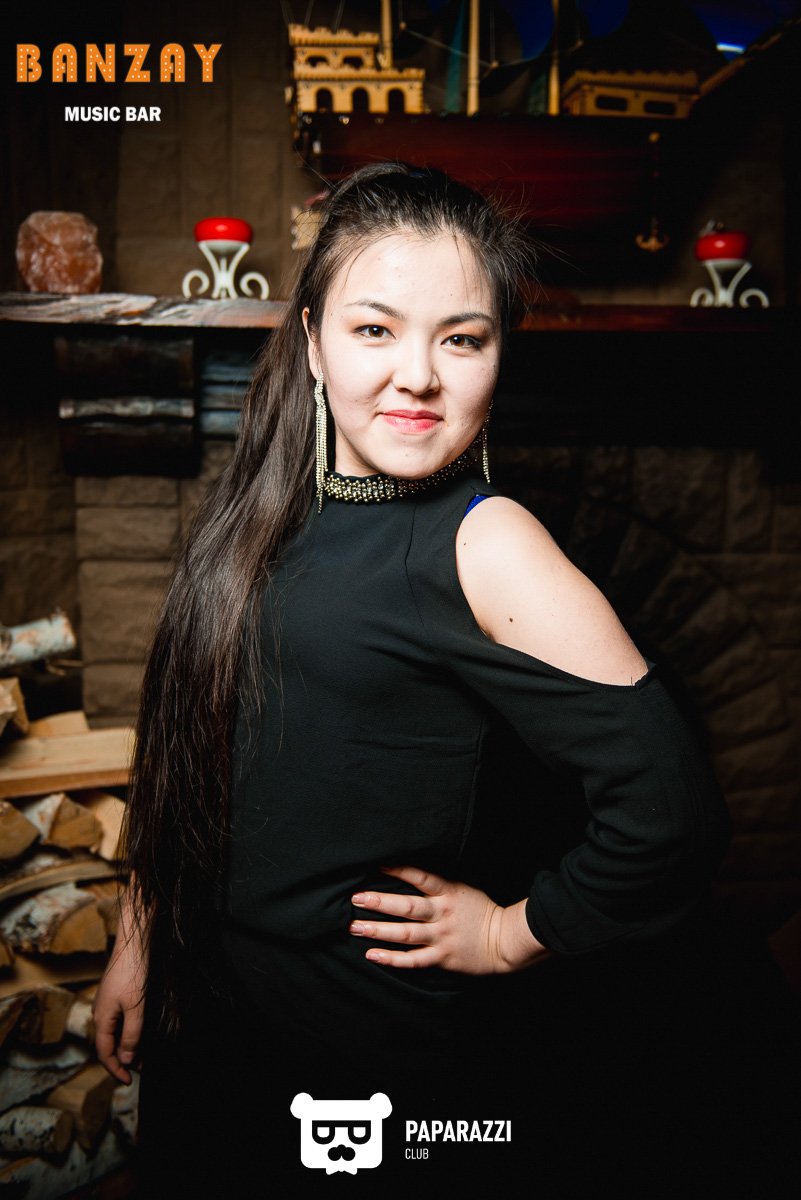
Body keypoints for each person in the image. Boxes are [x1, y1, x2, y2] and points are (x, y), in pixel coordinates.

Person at [93, 162, 746, 1198]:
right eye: (375, 329)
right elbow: (191, 744)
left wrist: (507, 934)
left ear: (497, 356)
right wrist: (140, 936)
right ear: (313, 342)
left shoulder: (488, 541)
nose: (418, 376)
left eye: (462, 339)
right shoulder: (261, 514)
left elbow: (672, 814)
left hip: (362, 1065)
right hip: (213, 1027)